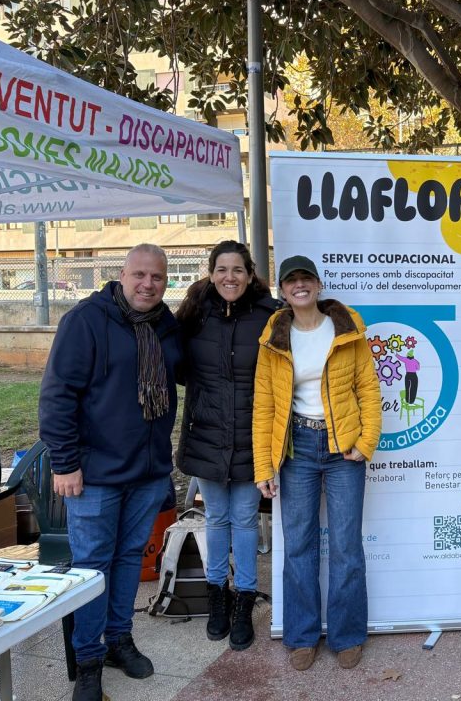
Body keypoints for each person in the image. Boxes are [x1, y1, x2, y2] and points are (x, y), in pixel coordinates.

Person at [39, 244, 183, 701]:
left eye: (157, 277)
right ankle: (87, 660)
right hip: (94, 473)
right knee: (91, 567)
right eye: (139, 274)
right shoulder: (85, 321)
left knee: (127, 559)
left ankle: (119, 638)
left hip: (147, 470)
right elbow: (57, 395)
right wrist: (65, 463)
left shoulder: (165, 325)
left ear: (166, 281)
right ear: (121, 275)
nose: (148, 284)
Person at [253, 255, 382, 671]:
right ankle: (302, 636)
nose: (300, 285)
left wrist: (365, 443)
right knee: (299, 546)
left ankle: (346, 635)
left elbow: (369, 389)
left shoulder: (346, 328)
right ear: (283, 290)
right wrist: (263, 467)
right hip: (297, 449)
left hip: (342, 448)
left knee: (346, 545)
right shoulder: (273, 336)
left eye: (306, 278)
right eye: (291, 281)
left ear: (318, 284)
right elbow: (264, 406)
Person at [175, 241, 279, 650]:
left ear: (250, 274)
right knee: (216, 518)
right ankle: (217, 594)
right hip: (207, 432)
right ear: (211, 272)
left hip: (253, 433)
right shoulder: (195, 312)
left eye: (238, 270)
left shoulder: (270, 316)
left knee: (245, 518)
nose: (229, 277)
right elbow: (178, 364)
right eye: (222, 269)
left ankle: (245, 600)